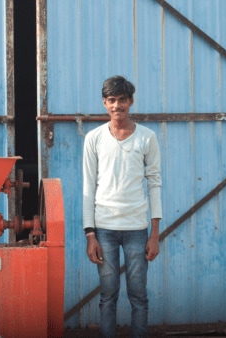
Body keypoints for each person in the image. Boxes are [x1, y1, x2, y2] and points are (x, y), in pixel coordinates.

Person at [82, 75, 162, 338]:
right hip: (104, 229)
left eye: (123, 100)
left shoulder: (147, 138)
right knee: (108, 295)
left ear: (131, 102)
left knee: (138, 294)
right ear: (105, 103)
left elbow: (154, 184)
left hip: (137, 229)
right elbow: (88, 188)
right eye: (112, 100)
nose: (118, 105)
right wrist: (90, 234)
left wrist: (154, 234)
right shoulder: (93, 138)